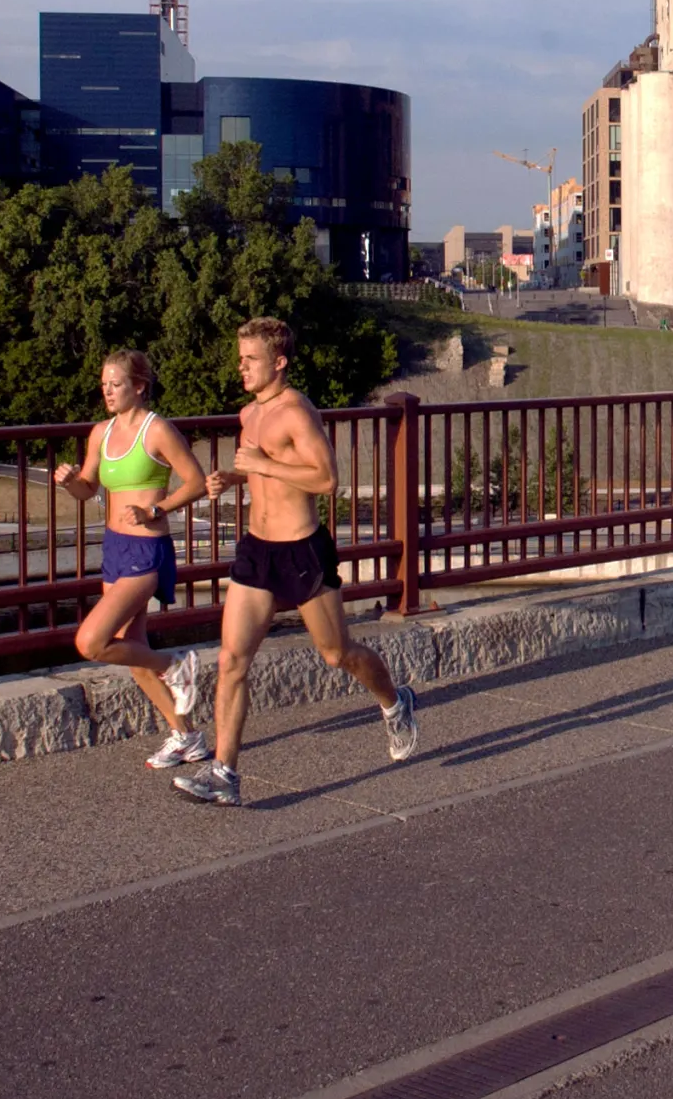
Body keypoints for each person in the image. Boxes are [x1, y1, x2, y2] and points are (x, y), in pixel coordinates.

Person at [173, 317, 418, 806]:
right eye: (240, 358)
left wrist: (260, 464)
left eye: (251, 360)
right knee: (232, 661)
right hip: (257, 551)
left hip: (302, 550)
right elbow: (268, 474)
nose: (241, 367)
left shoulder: (296, 411)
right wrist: (234, 478)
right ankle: (225, 773)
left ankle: (396, 702)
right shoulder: (249, 414)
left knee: (337, 653)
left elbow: (326, 478)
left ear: (279, 362)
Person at [53, 350, 212, 771]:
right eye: (104, 384)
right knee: (133, 653)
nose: (107, 391)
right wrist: (71, 483)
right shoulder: (99, 433)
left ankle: (177, 664)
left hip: (147, 549)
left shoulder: (157, 429)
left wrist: (156, 510)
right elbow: (89, 489)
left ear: (139, 386)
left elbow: (196, 482)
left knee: (92, 642)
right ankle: (187, 736)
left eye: (116, 384)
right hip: (114, 547)